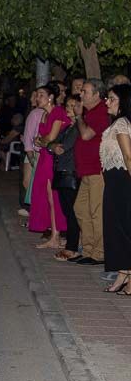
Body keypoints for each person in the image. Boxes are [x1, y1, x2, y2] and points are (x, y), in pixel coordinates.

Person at [71, 79, 110, 266]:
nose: (81, 95)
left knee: (96, 212)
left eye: (85, 92)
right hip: (86, 170)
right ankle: (88, 249)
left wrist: (78, 117)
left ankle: (99, 253)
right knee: (80, 208)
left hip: (97, 170)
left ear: (96, 95)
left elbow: (86, 135)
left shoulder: (101, 111)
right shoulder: (91, 111)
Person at [29, 84, 69, 249]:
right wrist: (43, 140)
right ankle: (54, 235)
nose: (38, 98)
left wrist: (43, 140)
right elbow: (38, 139)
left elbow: (49, 138)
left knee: (54, 199)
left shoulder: (58, 112)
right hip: (45, 157)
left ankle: (56, 236)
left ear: (51, 97)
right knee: (47, 198)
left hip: (53, 158)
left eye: (41, 95)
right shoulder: (45, 115)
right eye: (37, 95)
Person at [100, 84, 131, 294]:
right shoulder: (117, 122)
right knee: (116, 228)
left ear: (123, 102)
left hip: (121, 181)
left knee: (124, 228)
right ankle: (123, 273)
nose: (106, 102)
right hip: (113, 181)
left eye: (111, 98)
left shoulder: (121, 123)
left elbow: (128, 156)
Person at [51, 95, 83, 263]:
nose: (69, 108)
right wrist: (52, 145)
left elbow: (62, 148)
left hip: (71, 172)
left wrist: (53, 146)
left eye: (73, 105)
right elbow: (51, 144)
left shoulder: (78, 126)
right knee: (66, 210)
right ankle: (71, 245)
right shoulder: (66, 128)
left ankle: (72, 247)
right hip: (62, 171)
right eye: (68, 105)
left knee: (72, 212)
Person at [21, 89, 46, 212]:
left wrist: (31, 157)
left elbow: (28, 137)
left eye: (34, 97)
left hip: (34, 152)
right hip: (34, 151)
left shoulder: (36, 113)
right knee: (30, 183)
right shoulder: (37, 113)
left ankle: (34, 211)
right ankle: (33, 211)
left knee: (29, 183)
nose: (32, 99)